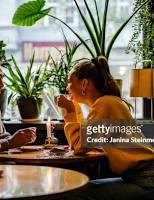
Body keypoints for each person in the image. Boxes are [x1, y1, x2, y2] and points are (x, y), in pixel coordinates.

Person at [55, 56, 154, 200]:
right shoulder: (109, 102)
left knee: (73, 192)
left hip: (144, 181)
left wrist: (70, 111)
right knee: (81, 187)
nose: (67, 87)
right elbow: (86, 142)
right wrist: (74, 109)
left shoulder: (104, 104)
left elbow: (78, 146)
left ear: (84, 84)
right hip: (139, 177)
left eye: (69, 82)